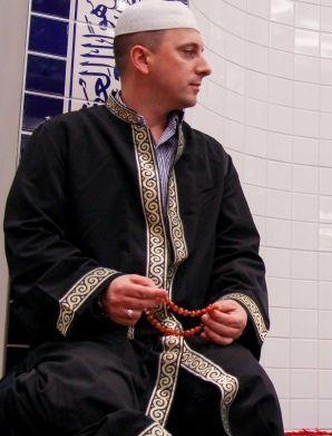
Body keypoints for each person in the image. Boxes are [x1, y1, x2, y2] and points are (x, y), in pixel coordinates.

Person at [0, 1, 284, 434]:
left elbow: (239, 252)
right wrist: (102, 289)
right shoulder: (63, 139)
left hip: (191, 344)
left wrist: (238, 307)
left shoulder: (213, 159)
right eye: (189, 52)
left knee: (248, 390)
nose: (204, 67)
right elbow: (32, 239)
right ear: (141, 58)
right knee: (69, 394)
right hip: (93, 345)